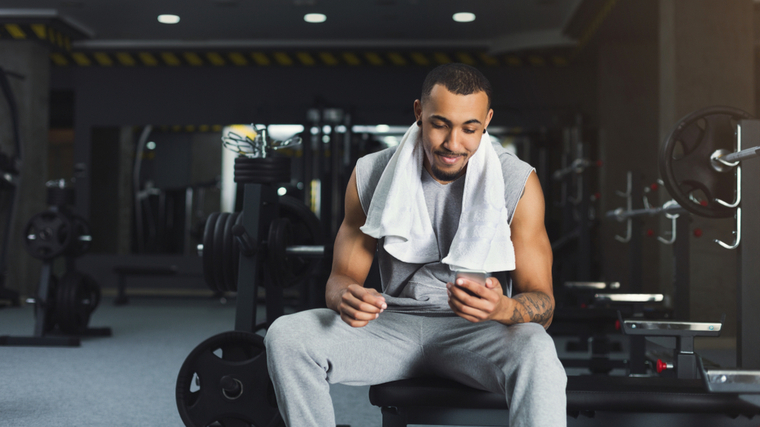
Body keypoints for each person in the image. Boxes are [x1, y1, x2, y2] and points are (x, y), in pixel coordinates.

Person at [265, 63, 567, 427]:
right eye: (440, 124)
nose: (453, 143)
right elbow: (341, 278)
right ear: (419, 112)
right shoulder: (371, 172)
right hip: (390, 324)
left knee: (535, 346)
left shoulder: (517, 181)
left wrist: (502, 309)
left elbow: (543, 304)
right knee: (287, 336)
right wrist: (346, 297)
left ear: (486, 120)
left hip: (477, 331)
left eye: (470, 128)